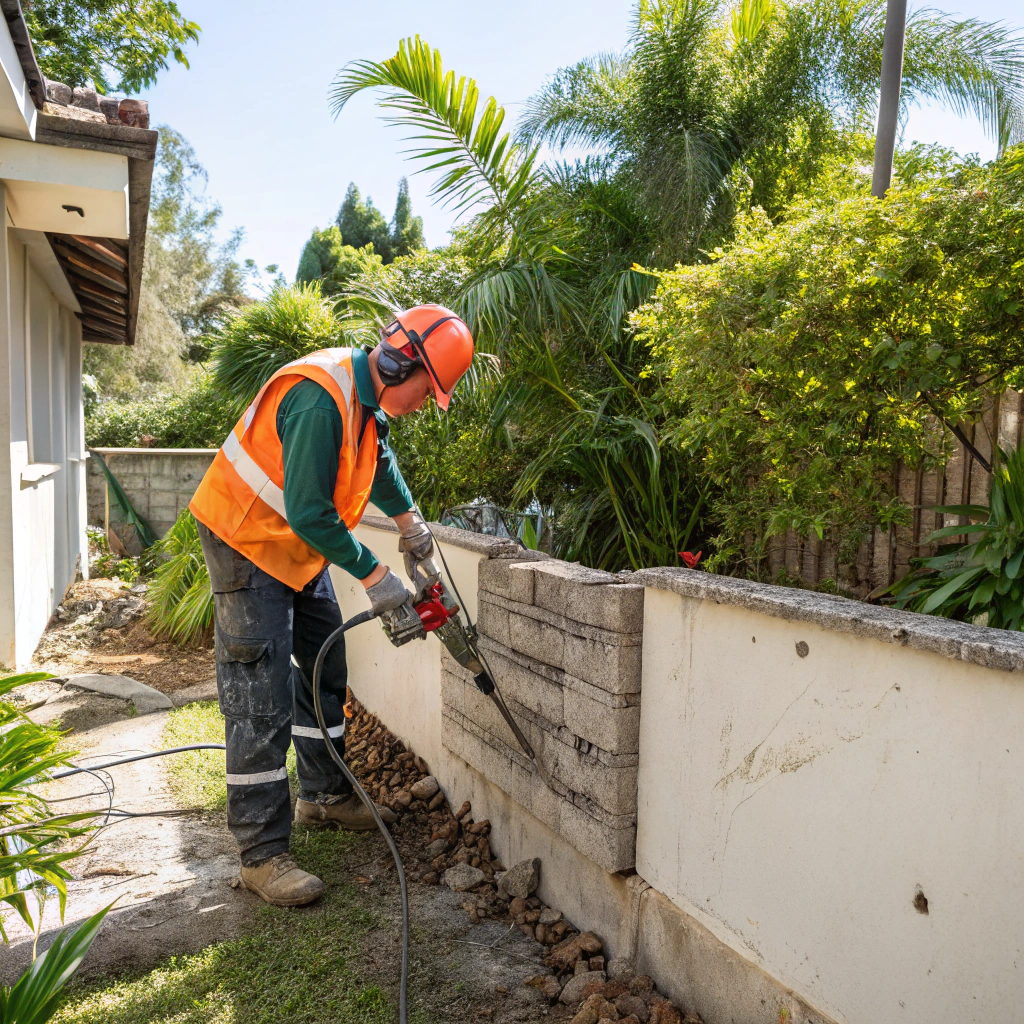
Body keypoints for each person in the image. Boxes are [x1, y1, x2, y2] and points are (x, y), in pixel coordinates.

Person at [189, 304, 474, 907]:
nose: (427, 402)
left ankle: (323, 794)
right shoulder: (322, 399)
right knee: (258, 695)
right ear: (403, 363)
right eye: (430, 390)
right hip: (247, 539)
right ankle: (261, 855)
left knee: (324, 662)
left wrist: (412, 526)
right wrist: (377, 578)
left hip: (294, 546)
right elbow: (312, 511)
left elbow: (378, 463)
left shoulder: (366, 402)